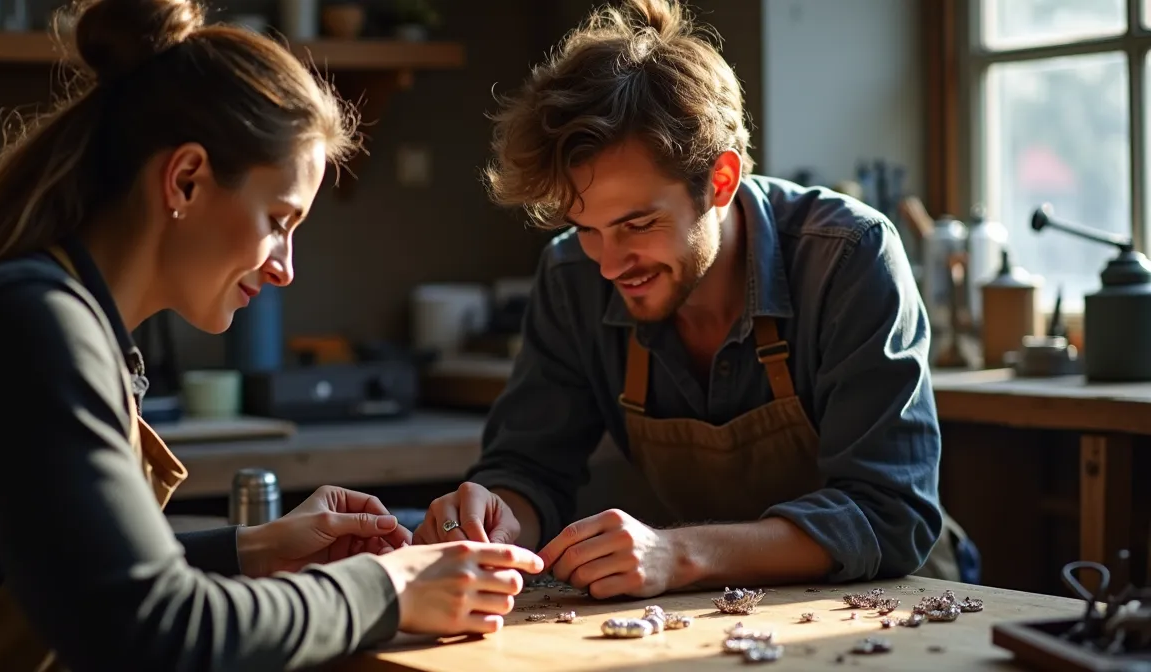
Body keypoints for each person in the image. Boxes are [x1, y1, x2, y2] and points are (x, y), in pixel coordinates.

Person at [0, 0, 544, 669]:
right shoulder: (31, 328)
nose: (285, 270)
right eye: (279, 221)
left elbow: (75, 584)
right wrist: (387, 589)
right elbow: (154, 636)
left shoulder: (49, 314)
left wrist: (251, 550)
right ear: (184, 181)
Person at [415, 0, 977, 596]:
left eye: (636, 225)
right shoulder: (571, 274)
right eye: (586, 227)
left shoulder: (847, 257)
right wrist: (498, 515)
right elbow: (530, 466)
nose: (608, 264)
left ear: (720, 180)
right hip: (717, 612)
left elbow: (889, 517)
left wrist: (676, 554)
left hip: (891, 603)